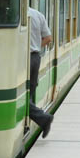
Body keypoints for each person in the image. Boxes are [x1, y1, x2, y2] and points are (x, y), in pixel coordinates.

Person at [28, 7, 54, 138]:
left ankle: (44, 118)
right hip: (35, 57)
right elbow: (48, 38)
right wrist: (36, 46)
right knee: (29, 92)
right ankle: (42, 119)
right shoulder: (38, 14)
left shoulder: (11, 13)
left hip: (23, 59)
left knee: (22, 96)